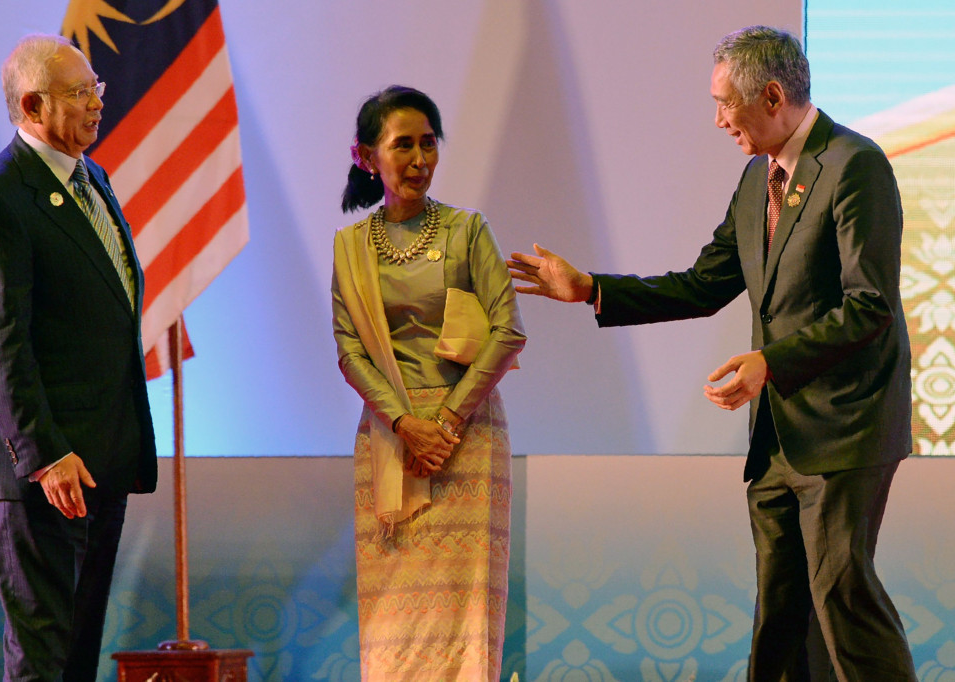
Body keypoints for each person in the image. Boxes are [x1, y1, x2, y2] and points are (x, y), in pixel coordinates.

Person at [508, 26, 915, 682]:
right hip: (778, 440)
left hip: (847, 428)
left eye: (726, 103)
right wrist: (591, 289)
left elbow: (869, 308)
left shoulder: (853, 164)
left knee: (843, 600)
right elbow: (703, 286)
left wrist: (769, 362)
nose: (718, 119)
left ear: (774, 95)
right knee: (782, 614)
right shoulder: (758, 181)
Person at [0, 34, 156, 680]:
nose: (99, 102)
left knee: (75, 661)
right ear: (34, 105)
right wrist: (43, 454)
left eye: (96, 86)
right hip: (41, 469)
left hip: (97, 459)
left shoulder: (90, 176)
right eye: (81, 92)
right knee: (42, 661)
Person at [332, 85, 526, 681]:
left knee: (465, 616)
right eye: (403, 145)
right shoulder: (351, 246)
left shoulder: (468, 231)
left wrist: (445, 422)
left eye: (428, 143)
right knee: (395, 616)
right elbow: (349, 351)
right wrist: (405, 423)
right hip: (392, 441)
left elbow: (508, 332)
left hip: (466, 439)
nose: (420, 159)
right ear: (367, 156)